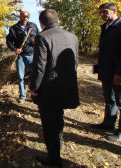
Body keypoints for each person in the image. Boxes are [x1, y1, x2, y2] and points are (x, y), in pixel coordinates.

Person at [29, 9, 79, 167]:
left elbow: (39, 67)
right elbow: (75, 63)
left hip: (49, 89)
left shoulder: (42, 37)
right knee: (59, 118)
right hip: (66, 85)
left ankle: (54, 159)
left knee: (49, 124)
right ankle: (58, 145)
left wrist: (34, 87)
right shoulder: (72, 36)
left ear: (42, 23)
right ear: (57, 20)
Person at [91, 3, 121, 142]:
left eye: (104, 11)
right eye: (100, 12)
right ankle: (108, 123)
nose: (102, 14)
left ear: (114, 11)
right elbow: (105, 52)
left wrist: (120, 73)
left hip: (119, 74)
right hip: (107, 72)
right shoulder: (106, 28)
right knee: (109, 99)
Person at [6, 11, 39, 103]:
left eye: (27, 16)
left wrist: (35, 42)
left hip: (32, 55)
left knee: (35, 76)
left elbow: (39, 37)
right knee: (20, 77)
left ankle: (34, 95)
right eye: (23, 16)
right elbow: (8, 41)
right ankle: (22, 96)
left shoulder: (33, 26)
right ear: (20, 16)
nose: (25, 18)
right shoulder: (14, 28)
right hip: (20, 56)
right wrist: (14, 49)